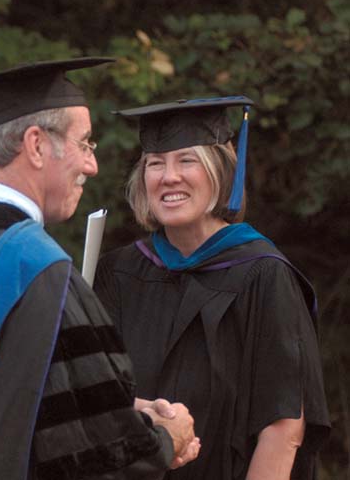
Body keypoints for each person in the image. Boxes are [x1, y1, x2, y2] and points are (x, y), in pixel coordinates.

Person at [0, 59, 200, 480]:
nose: (92, 165)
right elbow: (97, 457)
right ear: (35, 145)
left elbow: (9, 406)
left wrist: (125, 409)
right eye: (84, 144)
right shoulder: (36, 271)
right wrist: (164, 439)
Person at [94, 96, 331, 479]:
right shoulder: (118, 273)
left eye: (187, 160)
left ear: (220, 171)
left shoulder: (262, 275)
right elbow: (94, 399)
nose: (169, 176)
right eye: (156, 163)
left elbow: (283, 428)